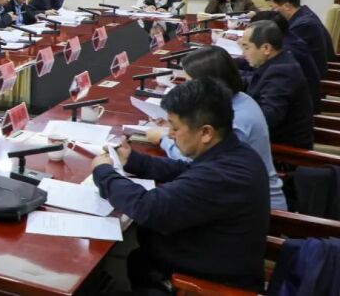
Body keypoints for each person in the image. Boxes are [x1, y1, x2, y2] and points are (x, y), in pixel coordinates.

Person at [92, 78, 269, 293]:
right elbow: (186, 170)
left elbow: (148, 207)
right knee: (136, 259)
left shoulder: (221, 175)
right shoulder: (234, 152)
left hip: (203, 285)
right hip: (205, 256)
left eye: (175, 127)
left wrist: (104, 173)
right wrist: (134, 161)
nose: (169, 134)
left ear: (206, 132)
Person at [144, 46, 287, 210]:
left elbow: (192, 162)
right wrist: (179, 126)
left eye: (190, 82)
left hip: (262, 209)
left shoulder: (236, 119)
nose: (186, 88)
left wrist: (163, 139)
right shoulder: (238, 99)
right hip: (237, 196)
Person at [240, 20, 314, 149]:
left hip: (285, 151)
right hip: (273, 139)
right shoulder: (279, 61)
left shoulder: (282, 72)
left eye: (246, 47)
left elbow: (268, 117)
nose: (243, 53)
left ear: (266, 48)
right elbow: (255, 80)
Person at [247, 11, 320, 109]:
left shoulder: (286, 61)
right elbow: (258, 76)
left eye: (246, 47)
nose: (243, 52)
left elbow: (268, 113)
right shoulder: (283, 46)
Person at [266, 0, 334, 76]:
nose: (273, 12)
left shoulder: (303, 25)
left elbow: (282, 53)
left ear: (287, 6)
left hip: (310, 78)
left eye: (273, 8)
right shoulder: (304, 14)